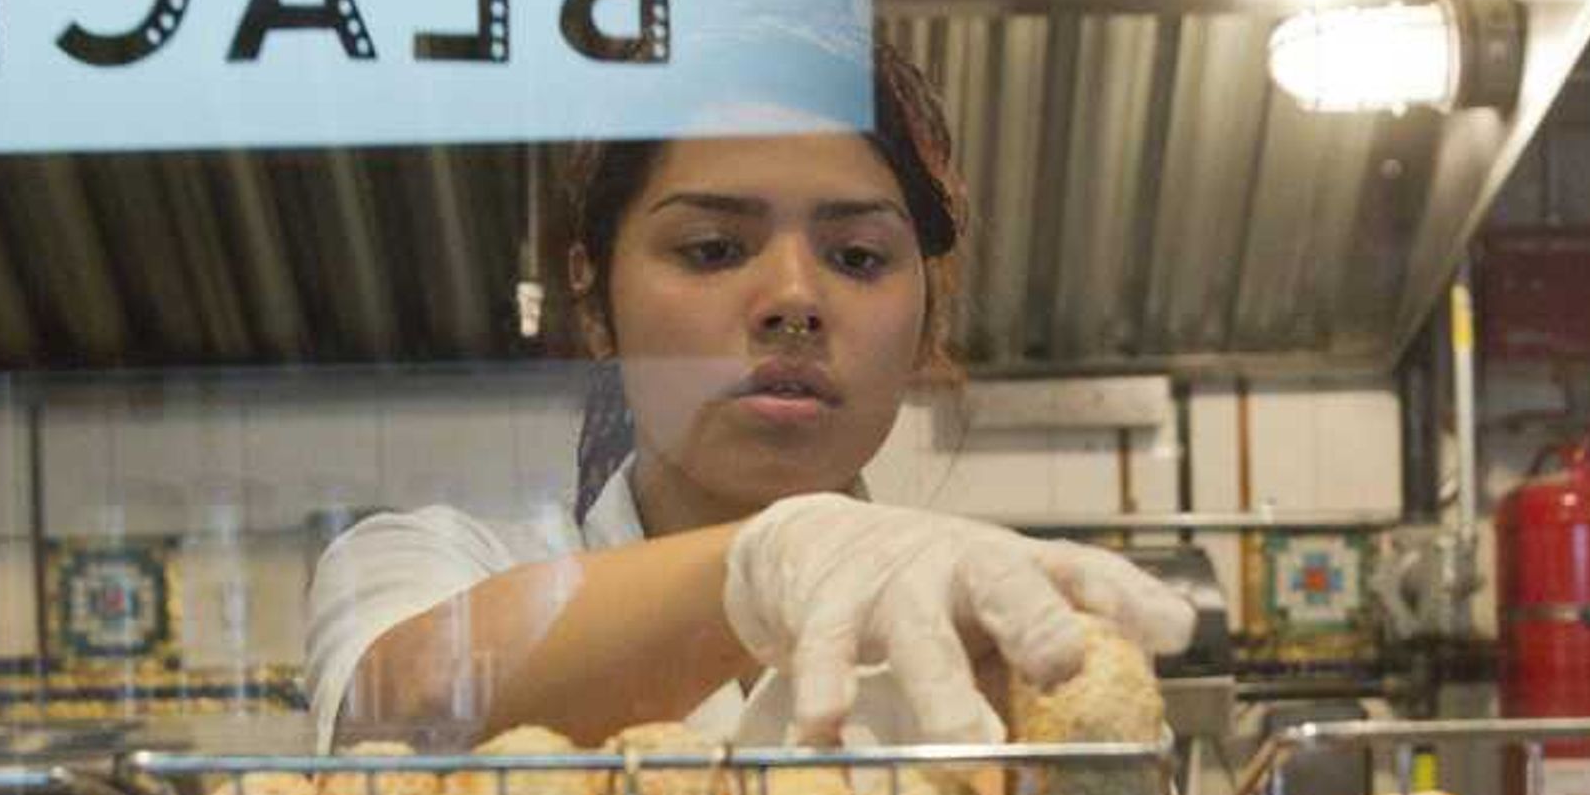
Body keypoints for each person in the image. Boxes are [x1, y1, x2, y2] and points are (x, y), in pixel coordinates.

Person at [308, 42, 1193, 750]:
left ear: (924, 322)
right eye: (712, 248)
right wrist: (775, 563)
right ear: (594, 299)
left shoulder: (1003, 623)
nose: (795, 300)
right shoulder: (432, 564)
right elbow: (403, 704)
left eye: (857, 258)